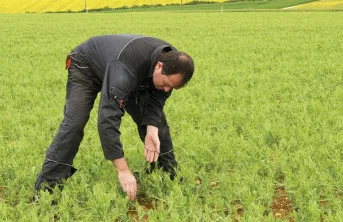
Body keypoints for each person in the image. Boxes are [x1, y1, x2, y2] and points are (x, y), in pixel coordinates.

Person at [34, 34, 194, 201]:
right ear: (159, 66)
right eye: (167, 84)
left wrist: (152, 128)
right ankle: (47, 189)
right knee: (75, 123)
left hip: (127, 72)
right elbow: (107, 120)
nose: (167, 90)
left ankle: (168, 175)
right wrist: (123, 170)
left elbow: (157, 99)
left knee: (158, 123)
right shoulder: (125, 71)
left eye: (172, 87)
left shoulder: (173, 63)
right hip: (86, 66)